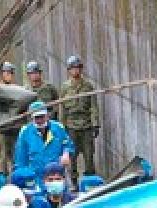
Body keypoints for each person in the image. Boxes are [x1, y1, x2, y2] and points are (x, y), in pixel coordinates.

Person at [60, 55, 100, 185]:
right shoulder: (65, 87)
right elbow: (62, 108)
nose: (75, 71)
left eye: (77, 68)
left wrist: (95, 124)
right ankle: (74, 182)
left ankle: (90, 181)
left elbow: (93, 106)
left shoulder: (88, 86)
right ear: (69, 71)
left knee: (89, 156)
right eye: (73, 68)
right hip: (71, 127)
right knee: (72, 156)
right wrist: (62, 127)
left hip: (86, 126)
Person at [14, 101, 73, 177]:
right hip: (35, 176)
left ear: (47, 115)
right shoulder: (25, 131)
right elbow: (20, 157)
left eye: (42, 116)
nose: (39, 120)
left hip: (56, 175)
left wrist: (66, 153)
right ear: (32, 117)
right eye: (36, 117)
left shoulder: (58, 127)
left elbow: (67, 144)